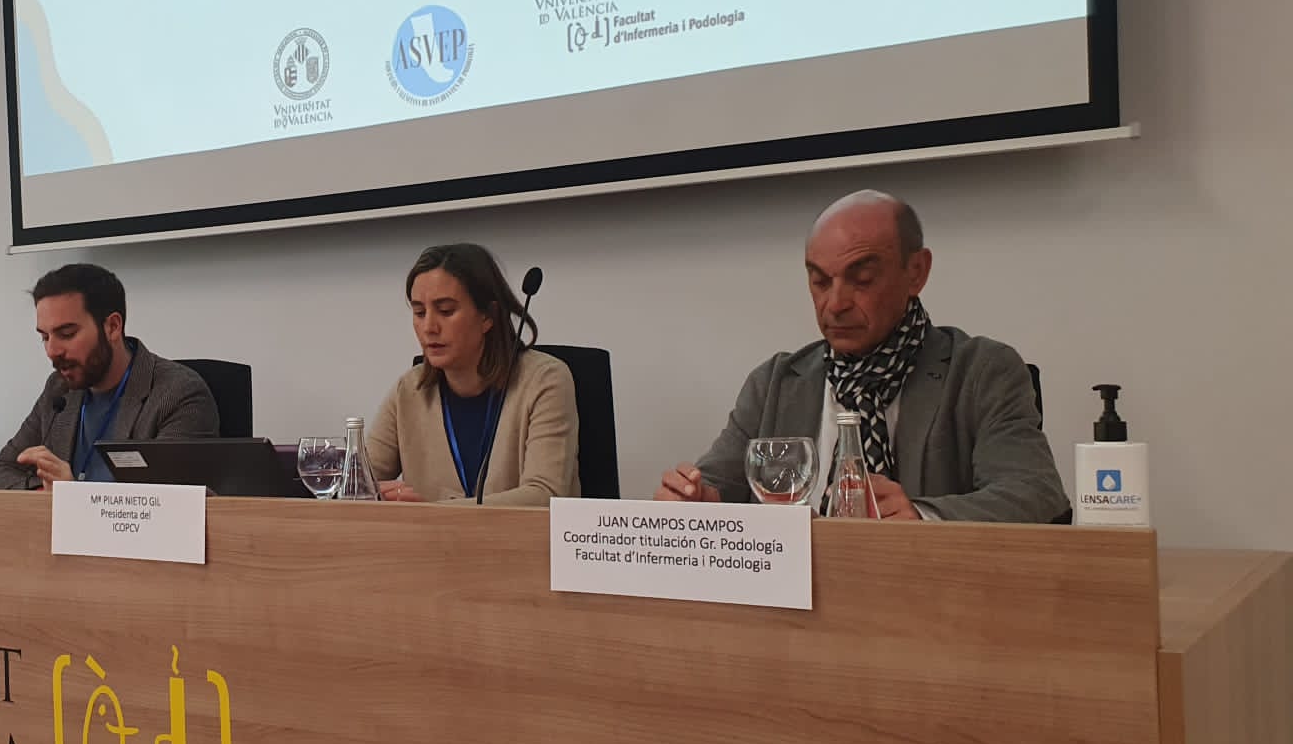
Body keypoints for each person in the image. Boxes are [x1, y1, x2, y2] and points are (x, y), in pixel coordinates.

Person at [656, 190, 1069, 522]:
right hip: (796, 595)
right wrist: (694, 499)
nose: (835, 304)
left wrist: (922, 516)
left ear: (916, 272)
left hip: (928, 593)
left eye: (862, 279)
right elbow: (716, 484)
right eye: (820, 282)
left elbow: (1035, 492)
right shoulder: (776, 384)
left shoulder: (981, 371)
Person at [366, 243, 579, 507]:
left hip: (523, 536)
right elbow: (355, 484)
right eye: (419, 313)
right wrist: (365, 493)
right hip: (430, 535)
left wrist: (430, 513)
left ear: (488, 316)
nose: (429, 327)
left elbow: (545, 494)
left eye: (446, 311)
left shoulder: (545, 380)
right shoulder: (409, 389)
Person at [0, 263, 219, 489]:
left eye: (67, 333)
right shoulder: (59, 389)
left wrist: (72, 495)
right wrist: (44, 492)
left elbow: (167, 501)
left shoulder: (178, 394)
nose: (52, 350)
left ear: (112, 327)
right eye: (45, 337)